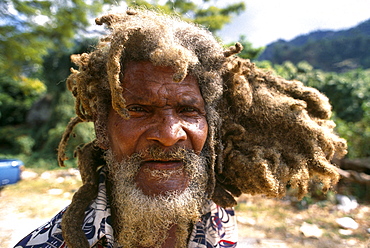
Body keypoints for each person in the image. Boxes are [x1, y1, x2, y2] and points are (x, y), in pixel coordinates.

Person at [15, 8, 347, 248]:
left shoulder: (217, 219)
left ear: (211, 127)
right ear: (103, 128)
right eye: (139, 109)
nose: (170, 133)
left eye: (188, 110)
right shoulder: (50, 244)